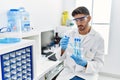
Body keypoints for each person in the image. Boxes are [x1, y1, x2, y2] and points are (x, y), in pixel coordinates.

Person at [55, 6, 104, 80]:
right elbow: (59, 58)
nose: (78, 23)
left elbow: (99, 64)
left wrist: (85, 64)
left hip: (86, 74)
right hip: (68, 73)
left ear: (89, 18)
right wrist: (62, 49)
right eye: (76, 20)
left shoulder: (98, 38)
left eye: (81, 19)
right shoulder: (69, 34)